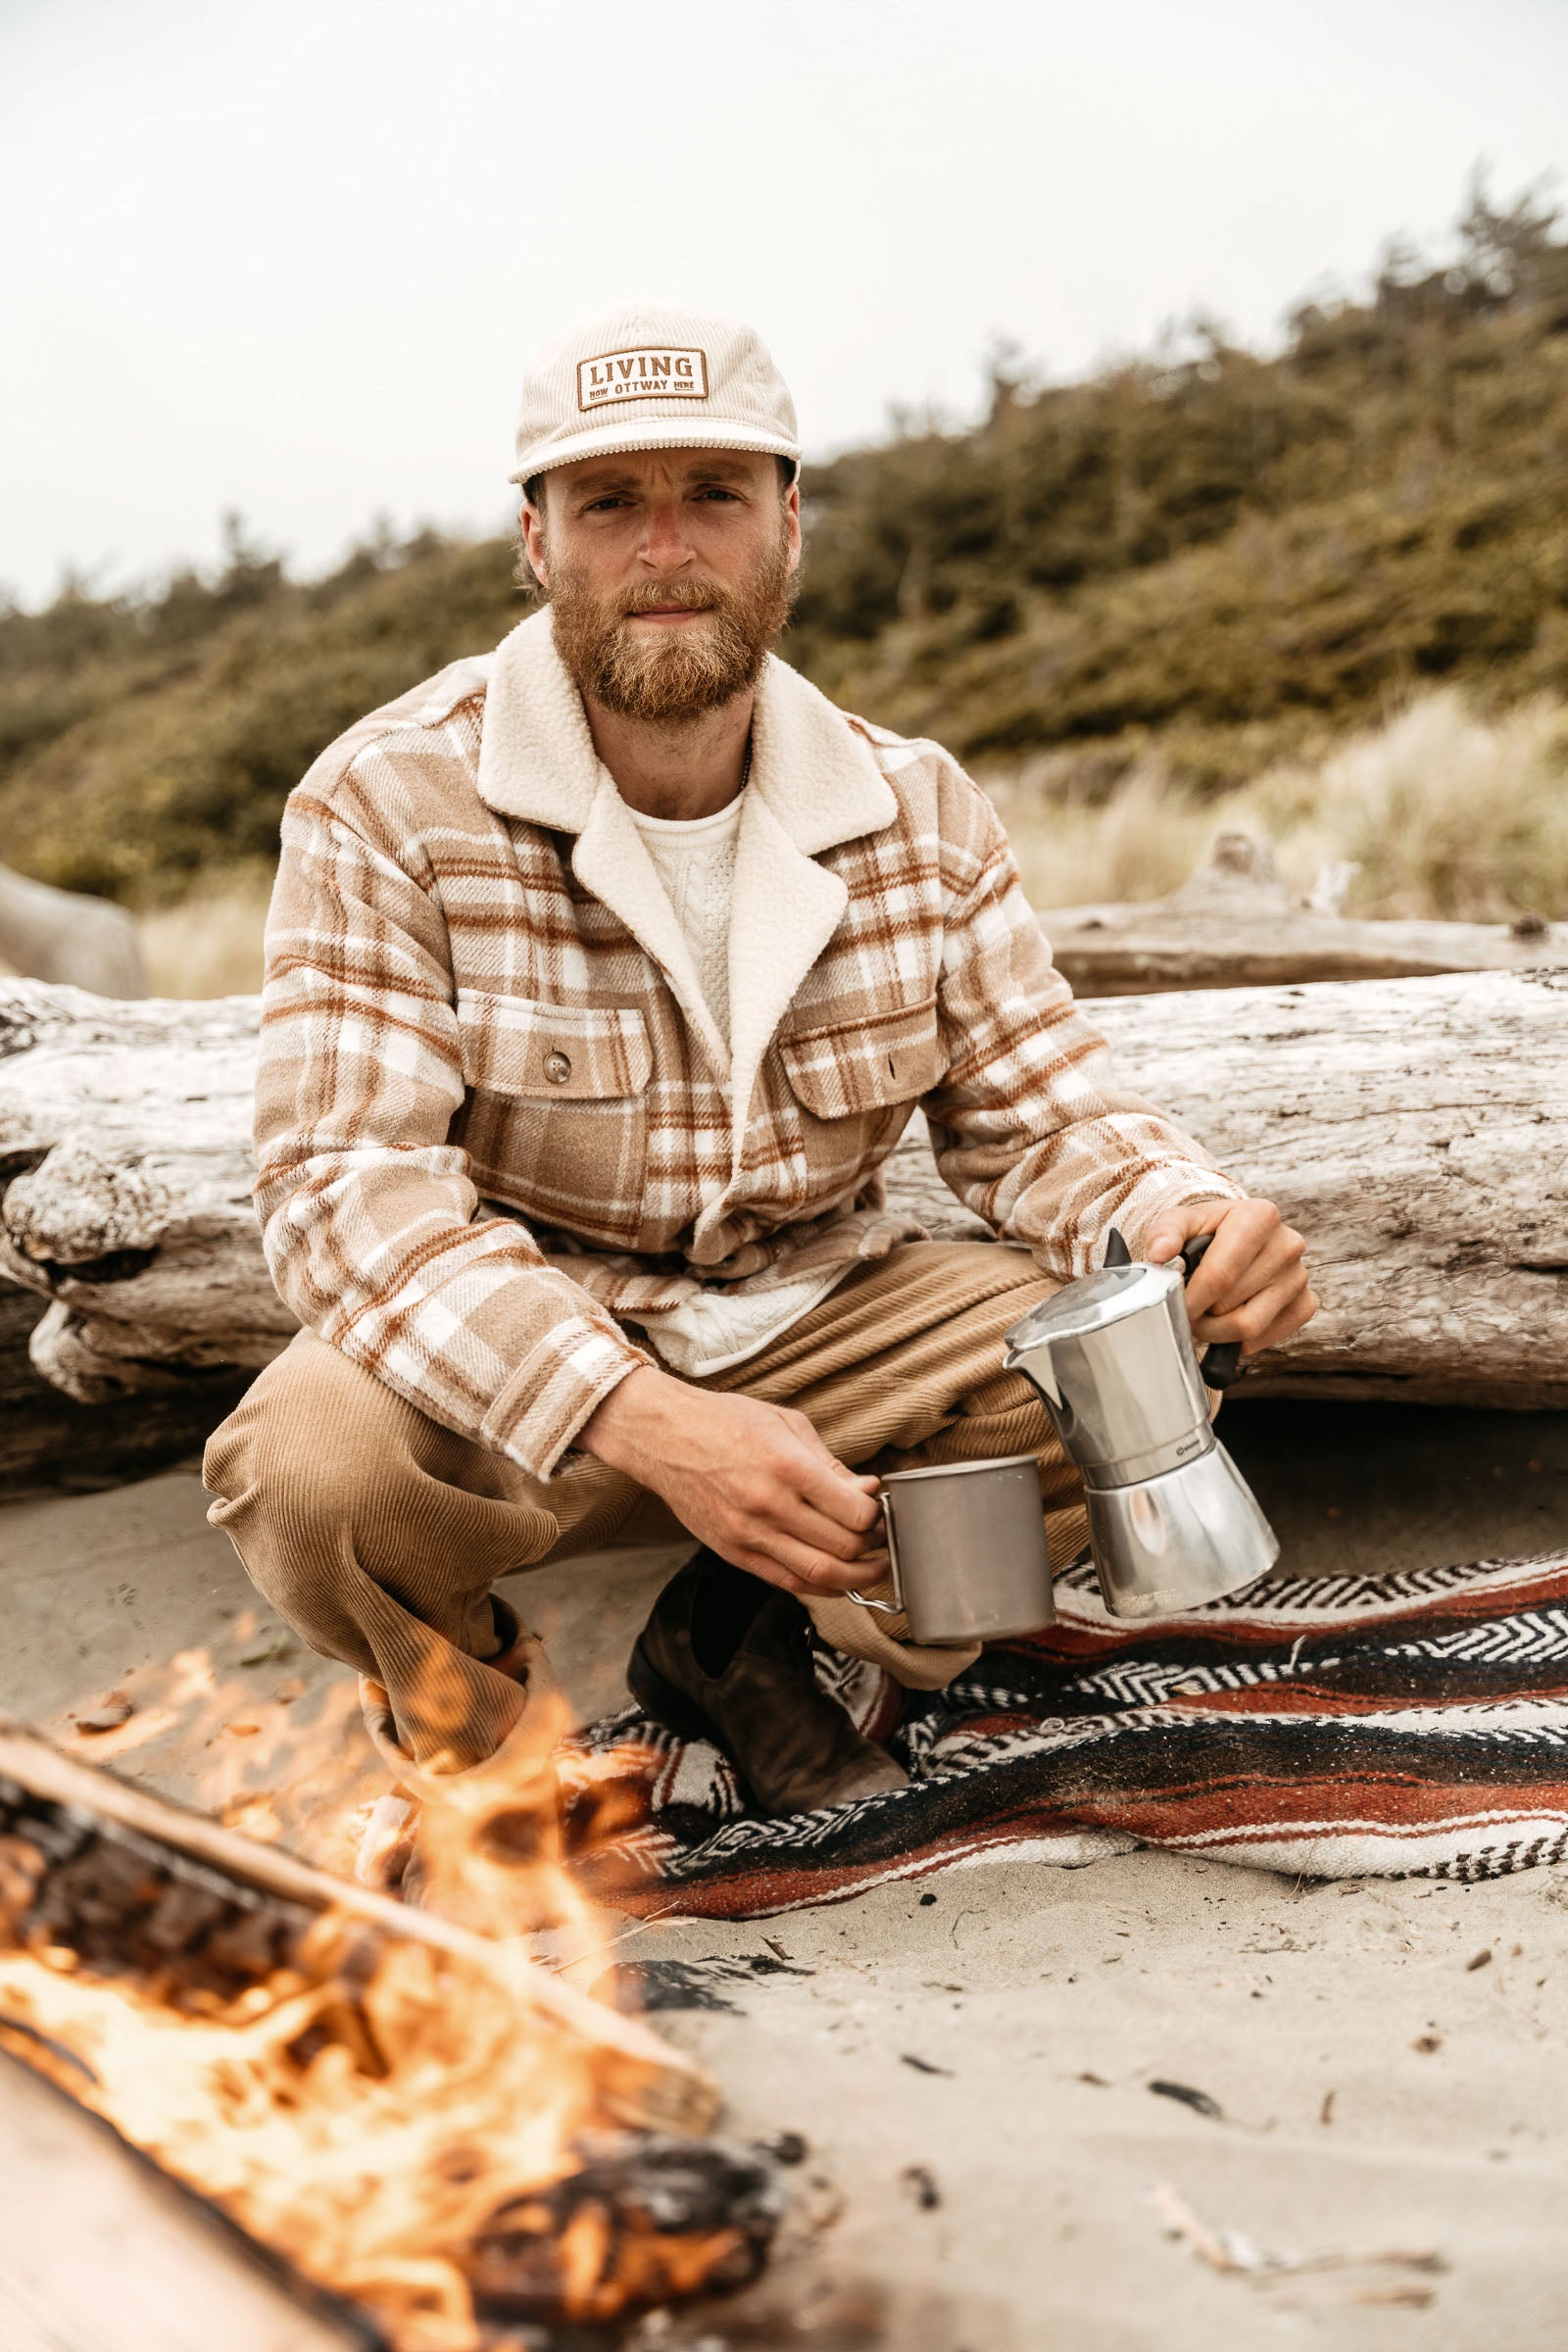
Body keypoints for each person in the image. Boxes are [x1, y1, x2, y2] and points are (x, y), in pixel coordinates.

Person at [203, 302, 1315, 1876]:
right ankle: (482, 1738)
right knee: (304, 1472)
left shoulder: (917, 805)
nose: (665, 548)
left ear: (791, 527)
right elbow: (341, 1193)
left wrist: (1184, 1217)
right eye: (609, 504)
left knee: (1141, 1369)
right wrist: (644, 1419)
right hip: (538, 1344)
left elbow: (1041, 1115)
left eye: (714, 495)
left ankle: (761, 1630)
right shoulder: (386, 800)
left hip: (820, 1309)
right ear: (537, 542)